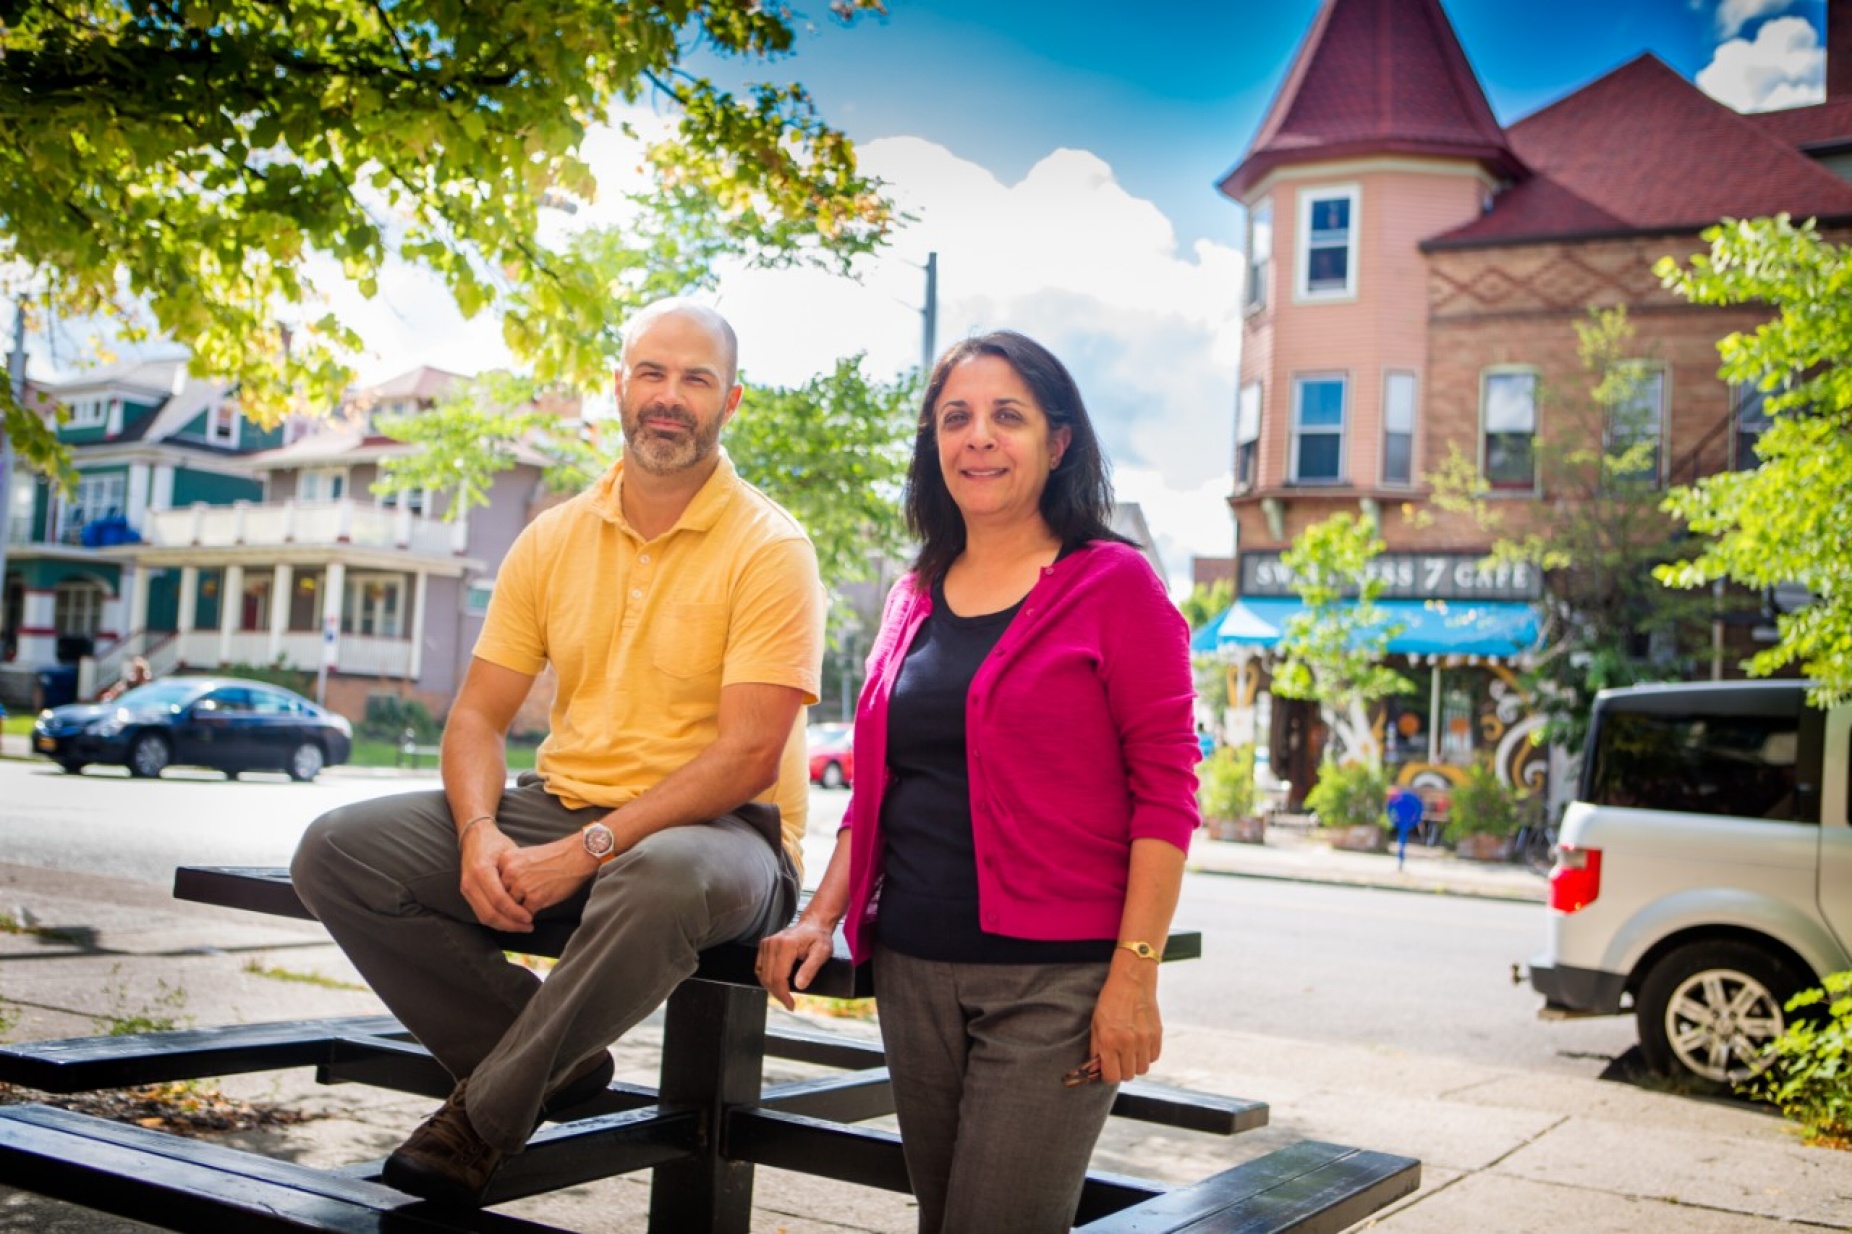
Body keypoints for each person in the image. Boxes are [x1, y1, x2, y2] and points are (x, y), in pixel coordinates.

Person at [291, 298, 824, 1207]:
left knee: (655, 878)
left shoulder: (771, 548)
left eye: (695, 379)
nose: (669, 396)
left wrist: (585, 852)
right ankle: (555, 1064)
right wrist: (477, 832)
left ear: (731, 402)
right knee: (336, 850)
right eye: (651, 373)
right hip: (566, 801)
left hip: (727, 836)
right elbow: (475, 720)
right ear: (618, 386)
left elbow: (745, 757)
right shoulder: (553, 538)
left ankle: (482, 1121)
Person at [756, 330, 1198, 1233]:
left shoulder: (1116, 585)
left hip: (1056, 985)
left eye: (1008, 416)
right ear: (933, 444)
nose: (979, 438)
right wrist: (817, 914)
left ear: (1058, 442)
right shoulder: (913, 591)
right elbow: (879, 792)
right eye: (956, 417)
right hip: (914, 972)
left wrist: (1135, 978)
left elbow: (1167, 797)